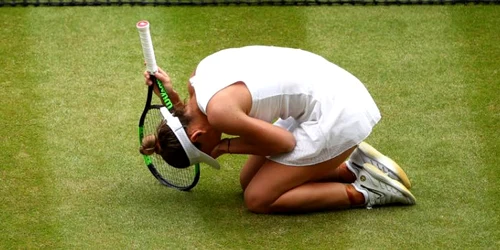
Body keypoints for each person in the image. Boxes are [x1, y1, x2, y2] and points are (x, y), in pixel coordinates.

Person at [140, 45, 416, 214]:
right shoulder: (197, 81)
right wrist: (173, 96)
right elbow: (190, 114)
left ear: (197, 137)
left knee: (257, 199)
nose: (215, 148)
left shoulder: (220, 114)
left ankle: (367, 192)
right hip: (332, 90)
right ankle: (352, 169)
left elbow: (283, 143)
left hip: (340, 112)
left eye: (206, 151)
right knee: (248, 181)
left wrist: (224, 147)